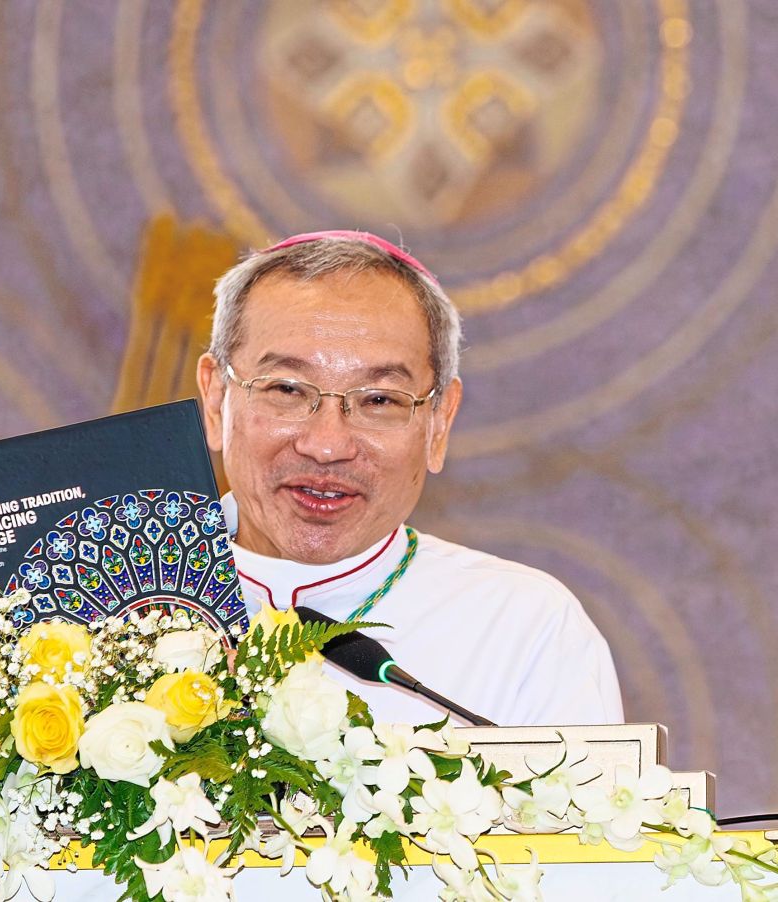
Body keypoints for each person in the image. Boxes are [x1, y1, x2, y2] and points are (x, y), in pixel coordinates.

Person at [195, 230, 623, 726]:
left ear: (439, 423)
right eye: (287, 389)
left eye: (380, 400)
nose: (327, 445)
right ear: (214, 400)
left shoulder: (526, 629)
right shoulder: (107, 607)